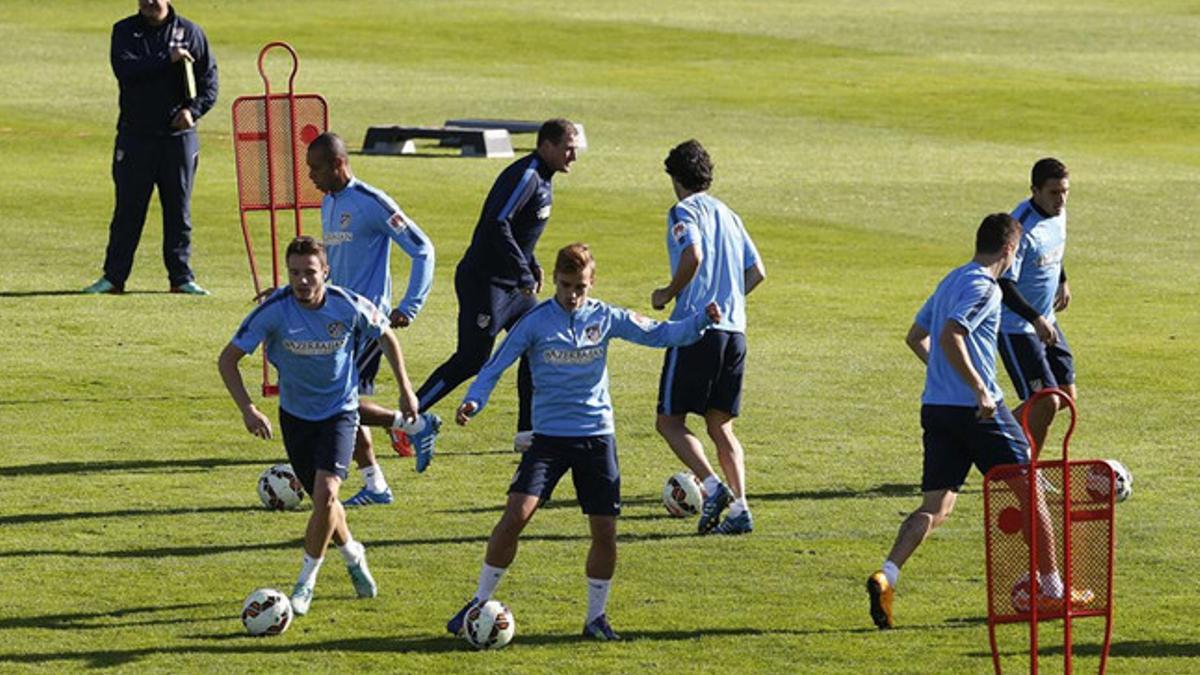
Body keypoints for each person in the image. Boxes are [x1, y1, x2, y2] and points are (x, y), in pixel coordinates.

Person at [445, 243, 720, 641]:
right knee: (514, 518)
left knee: (605, 533)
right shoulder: (536, 321)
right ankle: (477, 601)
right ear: (554, 280)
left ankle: (595, 619)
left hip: (596, 439)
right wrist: (475, 399)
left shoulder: (605, 317)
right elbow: (496, 364)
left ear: (592, 283)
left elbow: (659, 334)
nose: (573, 295)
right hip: (549, 442)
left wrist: (700, 323)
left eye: (581, 287)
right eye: (566, 285)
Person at [866, 213, 1090, 630]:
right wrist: (978, 389)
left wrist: (946, 375)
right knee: (1030, 485)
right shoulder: (986, 288)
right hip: (977, 410)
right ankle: (1054, 588)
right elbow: (952, 334)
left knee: (936, 507)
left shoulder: (951, 279)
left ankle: (888, 574)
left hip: (936, 408)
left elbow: (917, 335)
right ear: (1008, 250)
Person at [217, 236, 420, 616]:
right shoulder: (274, 310)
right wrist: (247, 409)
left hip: (340, 413)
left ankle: (305, 582)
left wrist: (406, 391)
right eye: (295, 273)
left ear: (325, 271)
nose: (302, 281)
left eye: (310, 272)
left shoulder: (347, 304)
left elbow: (387, 336)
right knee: (324, 504)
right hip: (295, 417)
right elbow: (227, 359)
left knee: (326, 494)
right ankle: (353, 555)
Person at [412, 119, 580, 452]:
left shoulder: (544, 177)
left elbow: (517, 229)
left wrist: (530, 263)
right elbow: (496, 222)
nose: (573, 156)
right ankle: (406, 416)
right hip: (485, 284)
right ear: (546, 145)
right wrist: (522, 270)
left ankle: (526, 434)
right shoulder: (527, 176)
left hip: (514, 287)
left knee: (536, 345)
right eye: (568, 147)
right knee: (471, 359)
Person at [305, 132, 441, 507]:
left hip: (366, 323)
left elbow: (423, 249)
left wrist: (410, 305)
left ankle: (412, 429)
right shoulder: (328, 203)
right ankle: (378, 482)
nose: (311, 178)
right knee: (342, 405)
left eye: (316, 169)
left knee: (341, 405)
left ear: (338, 164)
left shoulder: (371, 202)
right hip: (335, 318)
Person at [650, 139, 766, 536]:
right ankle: (741, 511)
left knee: (668, 421)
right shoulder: (730, 215)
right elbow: (757, 271)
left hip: (696, 329)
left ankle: (714, 488)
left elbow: (693, 255)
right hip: (735, 332)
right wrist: (731, 299)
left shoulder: (683, 210)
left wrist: (668, 292)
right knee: (721, 426)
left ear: (675, 177)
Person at [85, 0, 218, 296]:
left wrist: (192, 112)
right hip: (136, 136)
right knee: (128, 211)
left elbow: (209, 82)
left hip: (178, 139)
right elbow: (125, 69)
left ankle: (181, 278)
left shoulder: (190, 32)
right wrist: (165, 58)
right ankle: (113, 278)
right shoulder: (124, 31)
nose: (147, 1)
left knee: (179, 211)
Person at [998, 158, 1075, 452]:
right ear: (1035, 190)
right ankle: (1027, 472)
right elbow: (1004, 283)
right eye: (1054, 193)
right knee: (1046, 403)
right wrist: (1035, 319)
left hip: (1045, 319)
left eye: (1065, 191)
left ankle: (993, 430)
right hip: (1016, 326)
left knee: (1066, 395)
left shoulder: (1059, 213)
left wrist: (1062, 280)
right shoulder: (1020, 229)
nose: (1061, 199)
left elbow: (1055, 245)